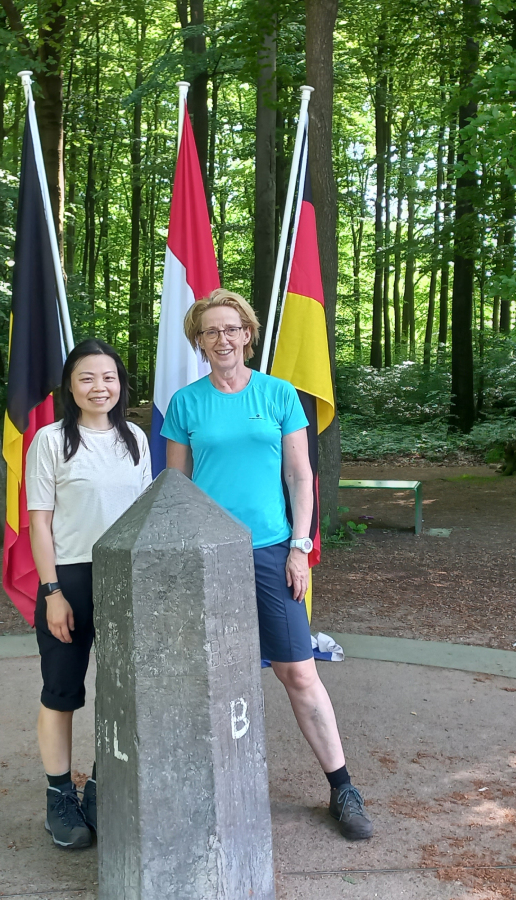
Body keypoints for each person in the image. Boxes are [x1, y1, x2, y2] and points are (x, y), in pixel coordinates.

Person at [162, 288, 374, 841]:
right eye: (211, 331)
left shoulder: (278, 394)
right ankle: (199, 789)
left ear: (248, 335)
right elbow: (176, 489)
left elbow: (301, 476)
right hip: (207, 555)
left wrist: (300, 547)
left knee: (297, 671)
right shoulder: (185, 403)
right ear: (198, 341)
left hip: (272, 552)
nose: (223, 339)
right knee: (204, 673)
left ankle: (343, 788)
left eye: (232, 328)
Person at [26, 339, 151, 849]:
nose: (100, 387)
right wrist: (52, 591)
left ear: (121, 384)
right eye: (87, 378)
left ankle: (102, 786)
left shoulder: (135, 438)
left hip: (125, 578)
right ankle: (60, 796)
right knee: (61, 692)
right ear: (70, 386)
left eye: (109, 377)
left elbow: (144, 515)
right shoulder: (51, 440)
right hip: (70, 579)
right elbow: (39, 523)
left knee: (122, 688)